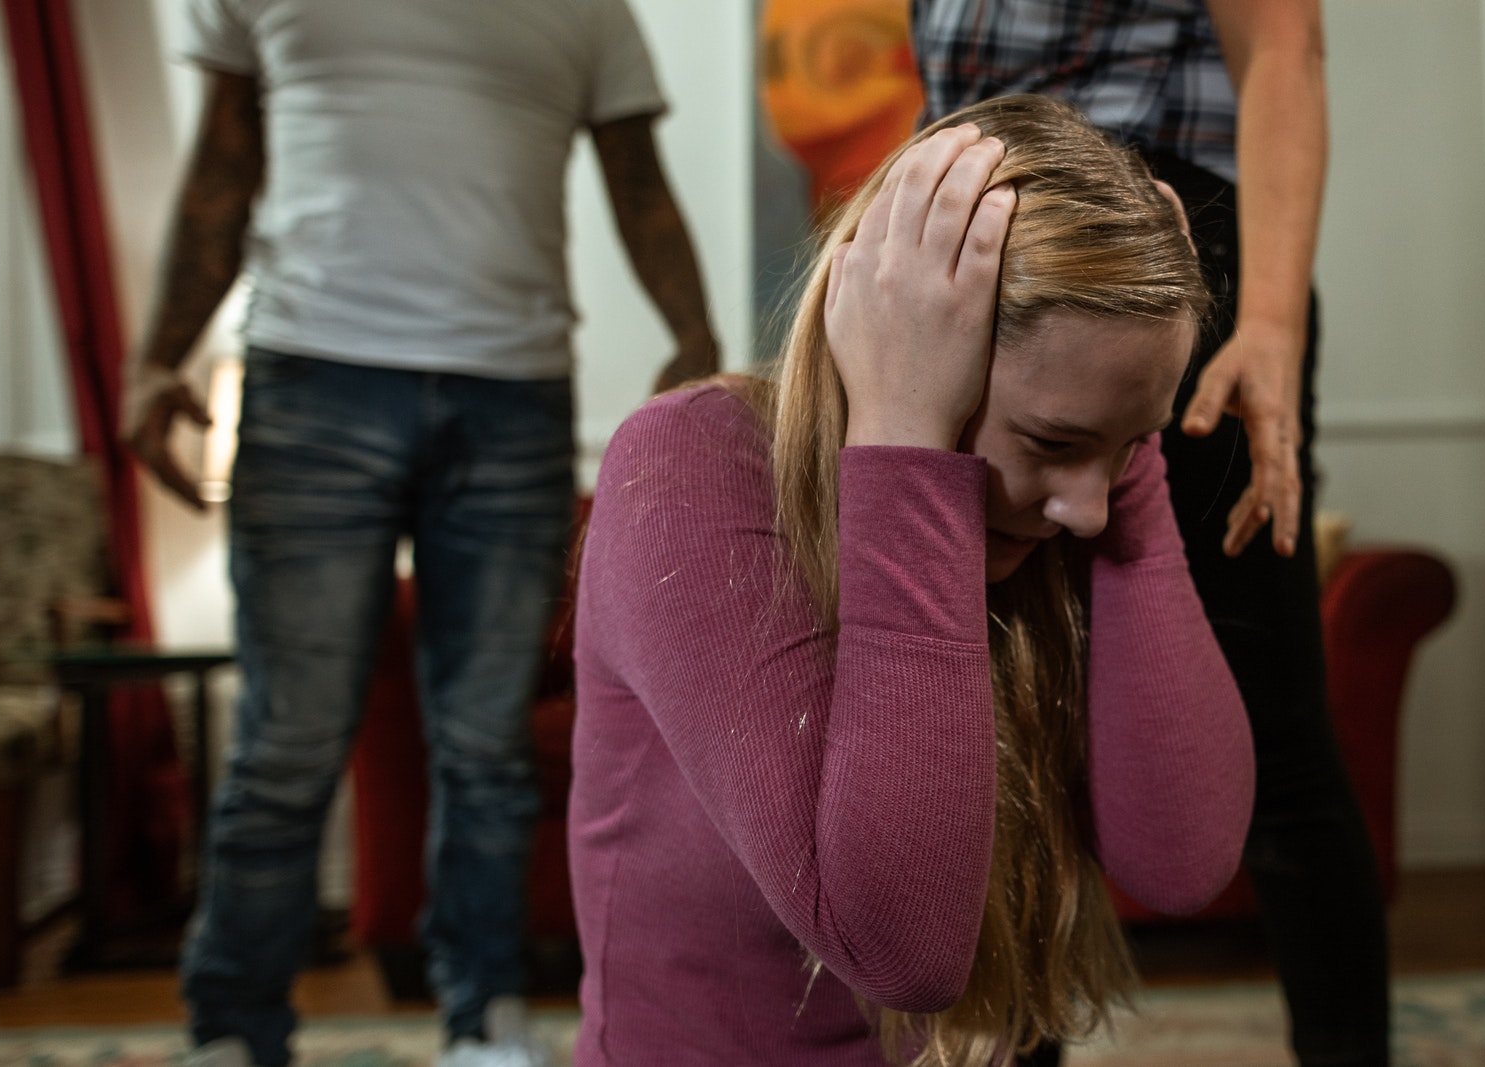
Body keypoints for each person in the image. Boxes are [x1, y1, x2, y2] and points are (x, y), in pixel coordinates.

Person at [568, 94, 1255, 1066]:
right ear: (907, 361)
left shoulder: (1056, 504)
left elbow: (1181, 861)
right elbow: (903, 952)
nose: (1087, 507)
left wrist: (1126, 446)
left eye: (1122, 451)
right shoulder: (687, 467)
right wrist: (900, 439)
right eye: (1053, 443)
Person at [123, 3, 719, 1066]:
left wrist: (695, 333)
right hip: (311, 385)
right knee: (286, 741)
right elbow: (222, 168)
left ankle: (481, 1018)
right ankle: (233, 1028)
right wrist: (157, 357)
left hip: (515, 397)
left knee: (486, 745)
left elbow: (639, 182)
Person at [909, 4, 1390, 1066]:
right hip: (988, 272)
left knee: (1272, 734)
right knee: (1001, 728)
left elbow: (1280, 45)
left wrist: (1266, 324)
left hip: (1158, 261)